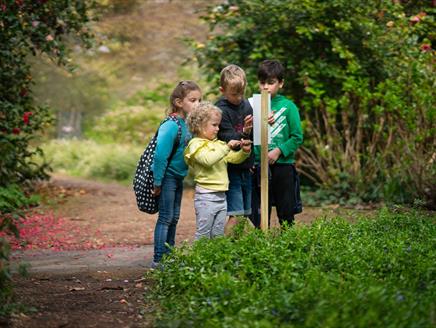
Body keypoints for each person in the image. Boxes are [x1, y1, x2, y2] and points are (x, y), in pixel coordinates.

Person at [151, 81, 201, 267]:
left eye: (199, 100)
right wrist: (157, 182)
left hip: (178, 177)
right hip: (167, 178)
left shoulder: (186, 124)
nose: (197, 104)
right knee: (165, 217)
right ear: (179, 102)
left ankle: (169, 256)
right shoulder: (171, 125)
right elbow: (160, 156)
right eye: (193, 100)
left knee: (174, 217)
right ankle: (158, 259)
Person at [184, 102, 252, 239]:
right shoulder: (195, 144)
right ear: (199, 125)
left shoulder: (218, 144)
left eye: (218, 125)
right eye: (214, 125)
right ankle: (199, 259)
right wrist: (227, 147)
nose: (217, 129)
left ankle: (216, 259)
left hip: (221, 196)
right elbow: (208, 160)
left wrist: (244, 152)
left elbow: (233, 158)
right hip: (206, 197)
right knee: (204, 233)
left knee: (218, 233)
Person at [252, 60, 303, 228]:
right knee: (260, 211)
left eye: (271, 82)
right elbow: (249, 136)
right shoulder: (254, 105)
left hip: (284, 166)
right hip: (260, 166)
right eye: (262, 82)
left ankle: (287, 245)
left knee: (286, 210)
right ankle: (261, 245)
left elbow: (297, 137)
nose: (266, 87)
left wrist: (279, 151)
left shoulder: (289, 107)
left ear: (281, 83)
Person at [215, 65, 255, 227]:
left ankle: (242, 248)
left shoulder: (247, 106)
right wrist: (244, 132)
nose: (238, 97)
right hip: (231, 169)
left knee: (245, 214)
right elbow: (226, 137)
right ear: (222, 90)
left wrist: (253, 160)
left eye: (241, 93)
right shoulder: (220, 110)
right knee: (235, 214)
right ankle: (222, 248)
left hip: (246, 167)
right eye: (234, 94)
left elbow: (253, 136)